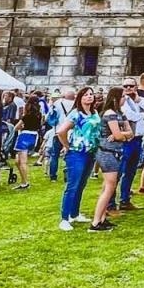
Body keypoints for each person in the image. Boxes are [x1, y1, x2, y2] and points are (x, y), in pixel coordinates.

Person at [84, 90, 132, 231]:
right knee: (109, 187)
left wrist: (122, 134)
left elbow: (130, 133)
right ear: (116, 98)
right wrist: (122, 134)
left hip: (114, 151)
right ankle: (96, 222)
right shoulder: (110, 114)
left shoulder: (119, 114)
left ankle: (102, 218)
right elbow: (118, 135)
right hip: (108, 153)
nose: (124, 99)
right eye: (122, 96)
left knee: (107, 187)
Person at [56, 87, 103, 230]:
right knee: (72, 185)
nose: (89, 97)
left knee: (81, 184)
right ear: (80, 97)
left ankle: (75, 213)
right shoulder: (76, 114)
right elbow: (61, 131)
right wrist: (67, 145)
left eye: (91, 94)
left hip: (91, 151)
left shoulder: (94, 112)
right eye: (86, 95)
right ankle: (64, 218)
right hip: (77, 152)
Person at [116, 78, 144, 211]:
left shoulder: (138, 100)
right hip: (127, 140)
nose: (128, 88)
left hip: (138, 138)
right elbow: (130, 116)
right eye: (125, 86)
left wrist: (139, 101)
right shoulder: (121, 101)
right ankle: (111, 202)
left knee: (131, 171)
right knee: (119, 171)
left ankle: (125, 200)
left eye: (131, 86)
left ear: (136, 87)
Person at [13, 92, 43, 189]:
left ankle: (24, 182)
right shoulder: (39, 115)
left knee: (22, 162)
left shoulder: (26, 116)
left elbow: (16, 127)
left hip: (24, 135)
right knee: (18, 161)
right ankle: (23, 181)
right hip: (34, 136)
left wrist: (21, 126)